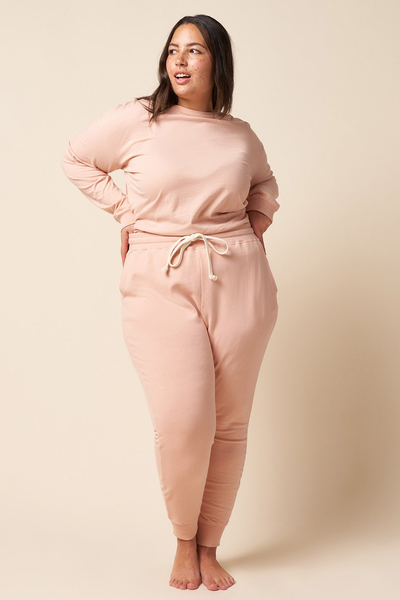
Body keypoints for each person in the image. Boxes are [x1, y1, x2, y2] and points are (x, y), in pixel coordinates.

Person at [61, 13, 280, 592]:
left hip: (240, 278)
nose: (180, 60)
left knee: (230, 424)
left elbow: (264, 184)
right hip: (159, 274)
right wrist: (126, 212)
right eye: (173, 49)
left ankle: (210, 547)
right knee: (184, 420)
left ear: (218, 62)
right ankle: (184, 541)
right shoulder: (139, 118)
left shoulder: (240, 135)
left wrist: (258, 219)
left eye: (196, 50)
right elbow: (76, 158)